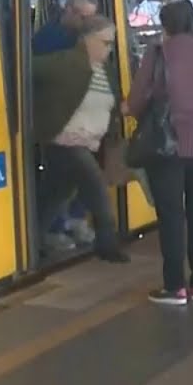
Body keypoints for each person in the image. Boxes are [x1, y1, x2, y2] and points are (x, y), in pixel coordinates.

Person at [126, 1, 193, 305]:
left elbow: (136, 102)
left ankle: (175, 286)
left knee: (171, 215)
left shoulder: (157, 55)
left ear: (165, 26)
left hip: (167, 144)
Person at [32, 15, 130, 264]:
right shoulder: (64, 62)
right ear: (87, 39)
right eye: (105, 42)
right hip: (66, 142)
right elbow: (28, 69)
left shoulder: (104, 70)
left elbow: (113, 100)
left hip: (87, 142)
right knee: (96, 186)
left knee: (55, 195)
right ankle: (107, 243)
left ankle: (33, 240)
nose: (109, 49)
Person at [32, 0, 100, 254]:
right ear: (68, 11)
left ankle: (75, 218)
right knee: (61, 176)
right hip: (56, 118)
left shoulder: (82, 38)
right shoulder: (47, 40)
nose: (87, 23)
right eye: (83, 17)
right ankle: (53, 228)